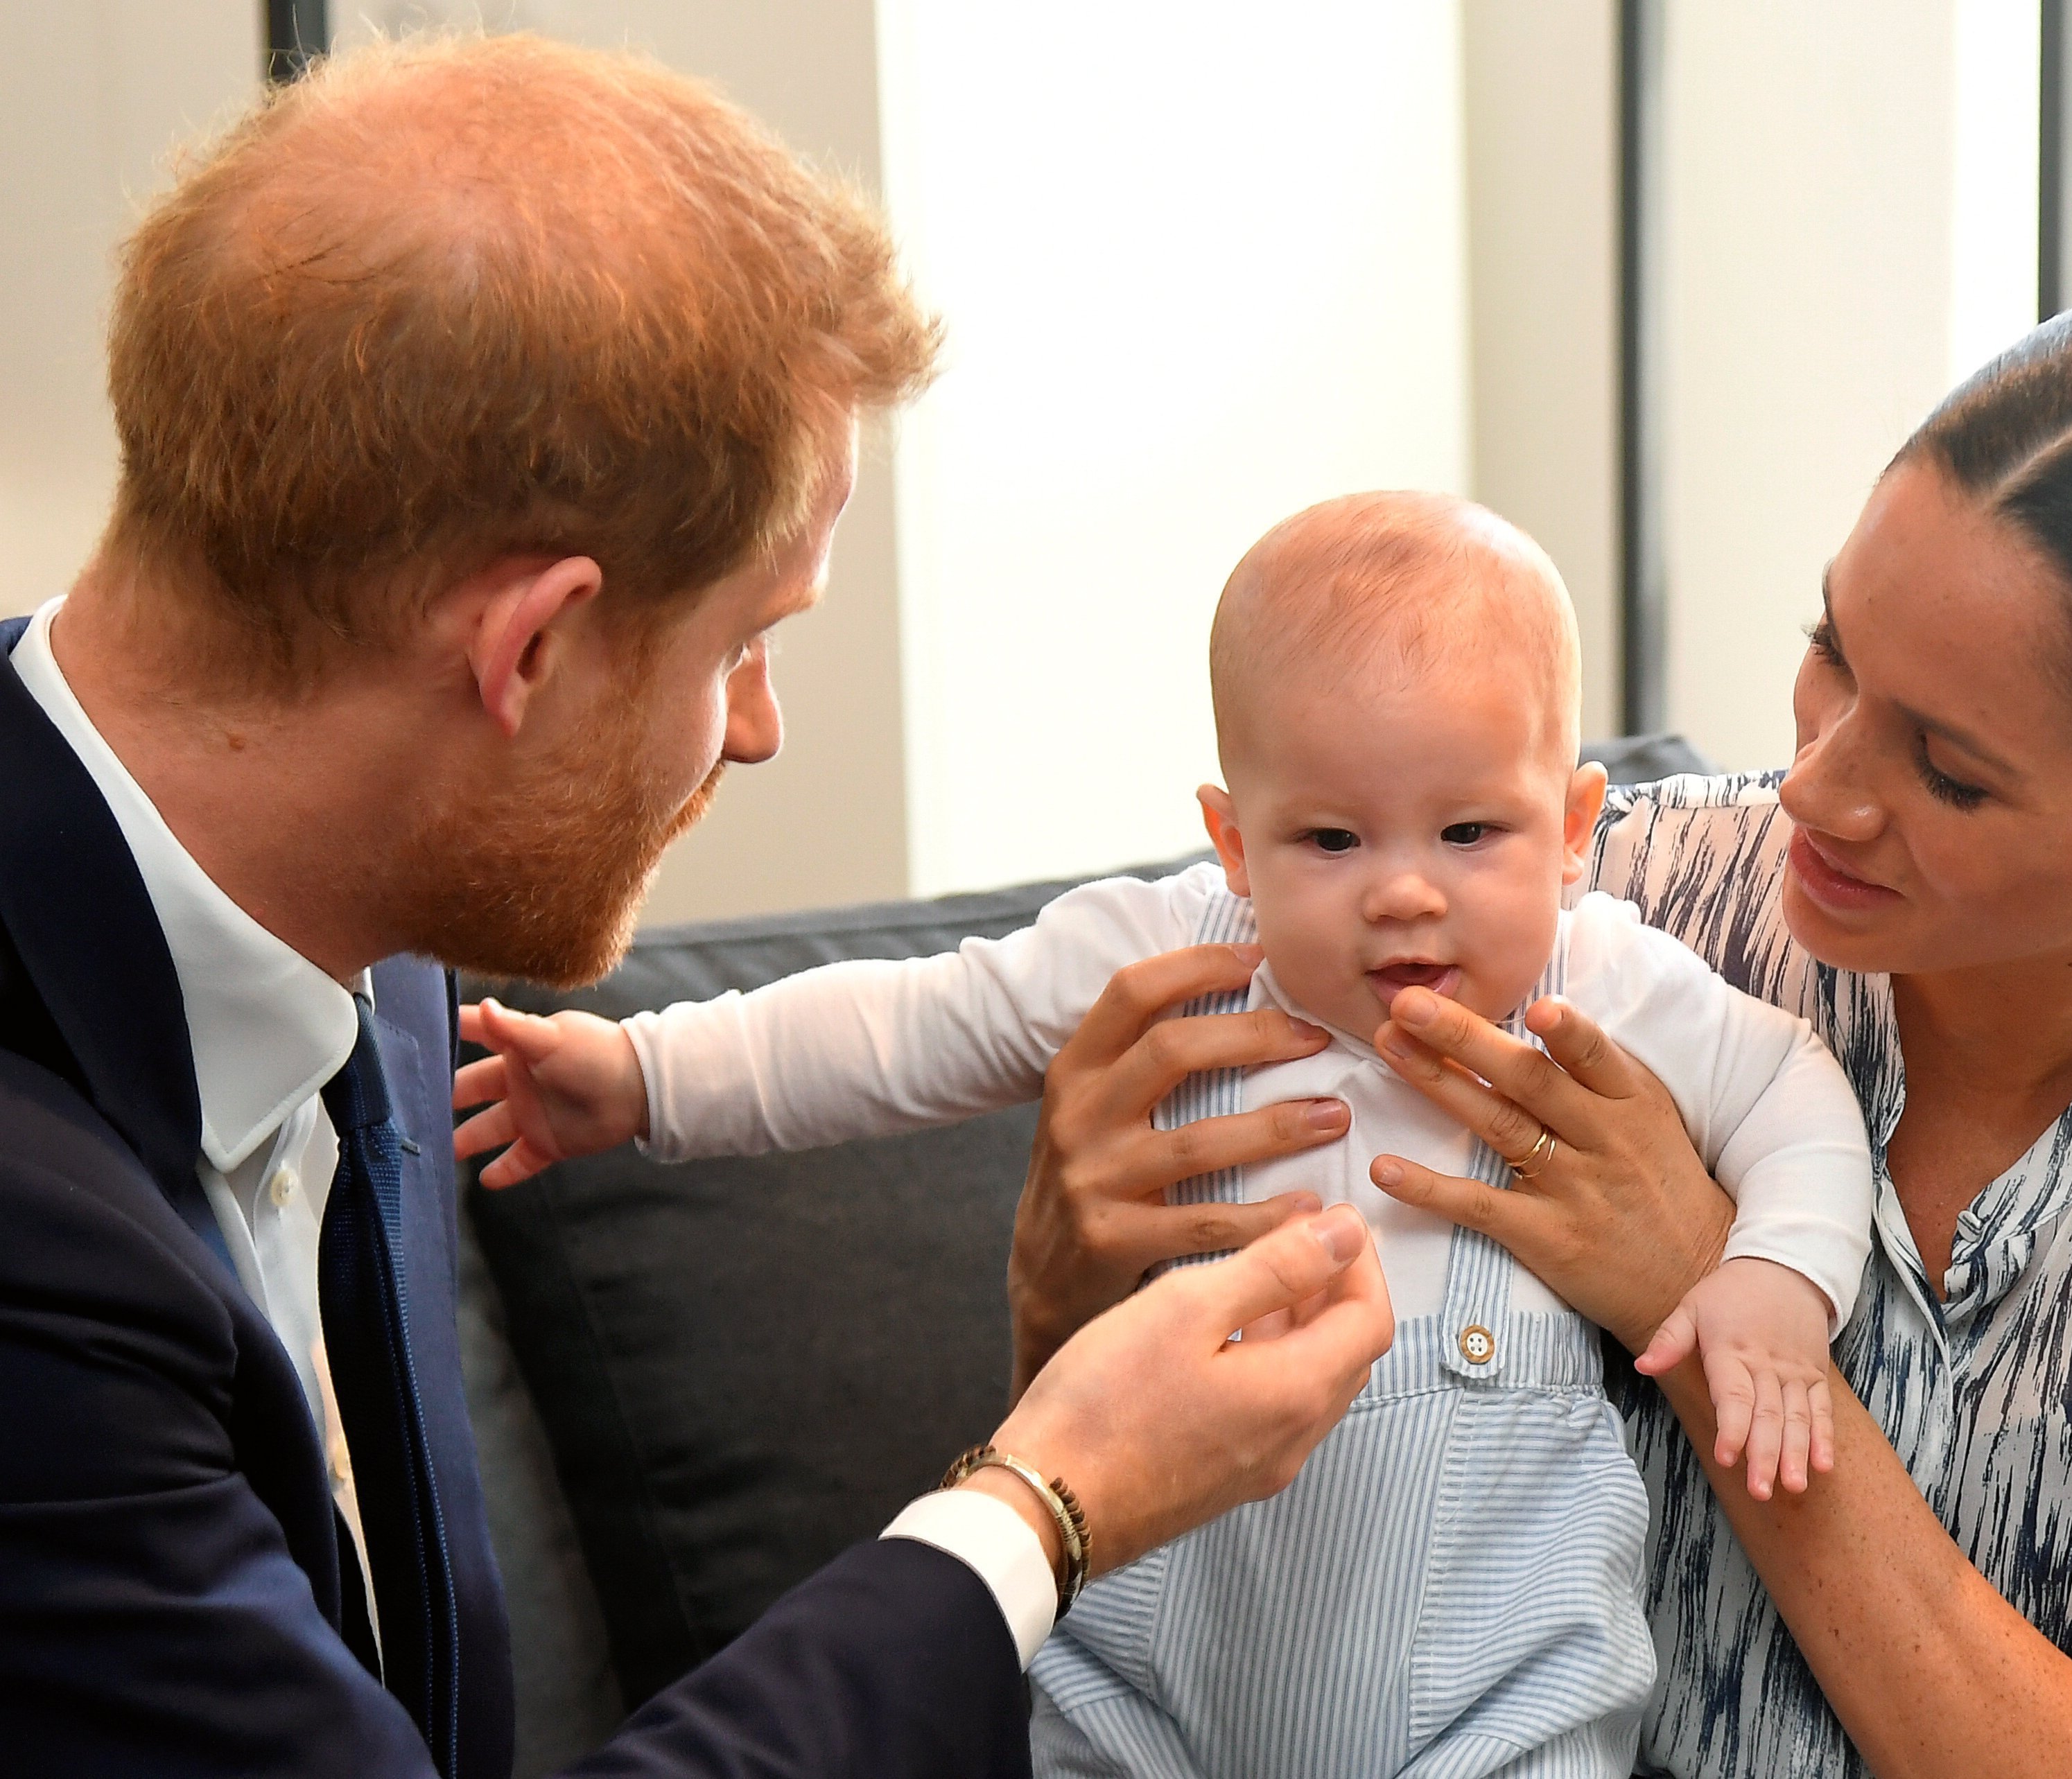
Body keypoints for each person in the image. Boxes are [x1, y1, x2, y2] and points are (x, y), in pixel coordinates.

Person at [0, 34, 1393, 1779]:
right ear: (534, 647)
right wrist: (1049, 1501)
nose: (757, 727)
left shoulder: (380, 926)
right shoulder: (34, 1253)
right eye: (746, 641)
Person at [1006, 292, 2072, 1777]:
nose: (1818, 789)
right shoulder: (1595, 908)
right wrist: (1063, 1281)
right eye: (1832, 649)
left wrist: (1713, 1305)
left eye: (1950, 772)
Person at [451, 489, 1878, 1778]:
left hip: (1497, 1714)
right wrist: (641, 1077)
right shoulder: (1167, 955)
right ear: (1233, 840)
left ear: (1572, 830)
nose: (1404, 897)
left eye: (1469, 835)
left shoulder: (1611, 982)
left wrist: (1771, 1287)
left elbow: (1795, 1098)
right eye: (1331, 841)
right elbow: (907, 1027)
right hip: (1152, 1702)